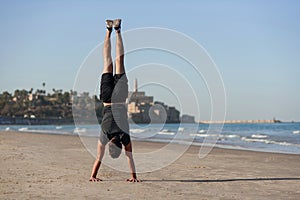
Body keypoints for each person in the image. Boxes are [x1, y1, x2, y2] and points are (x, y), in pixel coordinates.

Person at [89, 19, 139, 182]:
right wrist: (92, 176)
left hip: (120, 97)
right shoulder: (105, 135)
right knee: (107, 61)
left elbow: (130, 158)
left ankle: (117, 30)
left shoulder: (125, 137)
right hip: (107, 98)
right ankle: (108, 30)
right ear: (111, 146)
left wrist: (134, 177)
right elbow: (98, 159)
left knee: (119, 60)